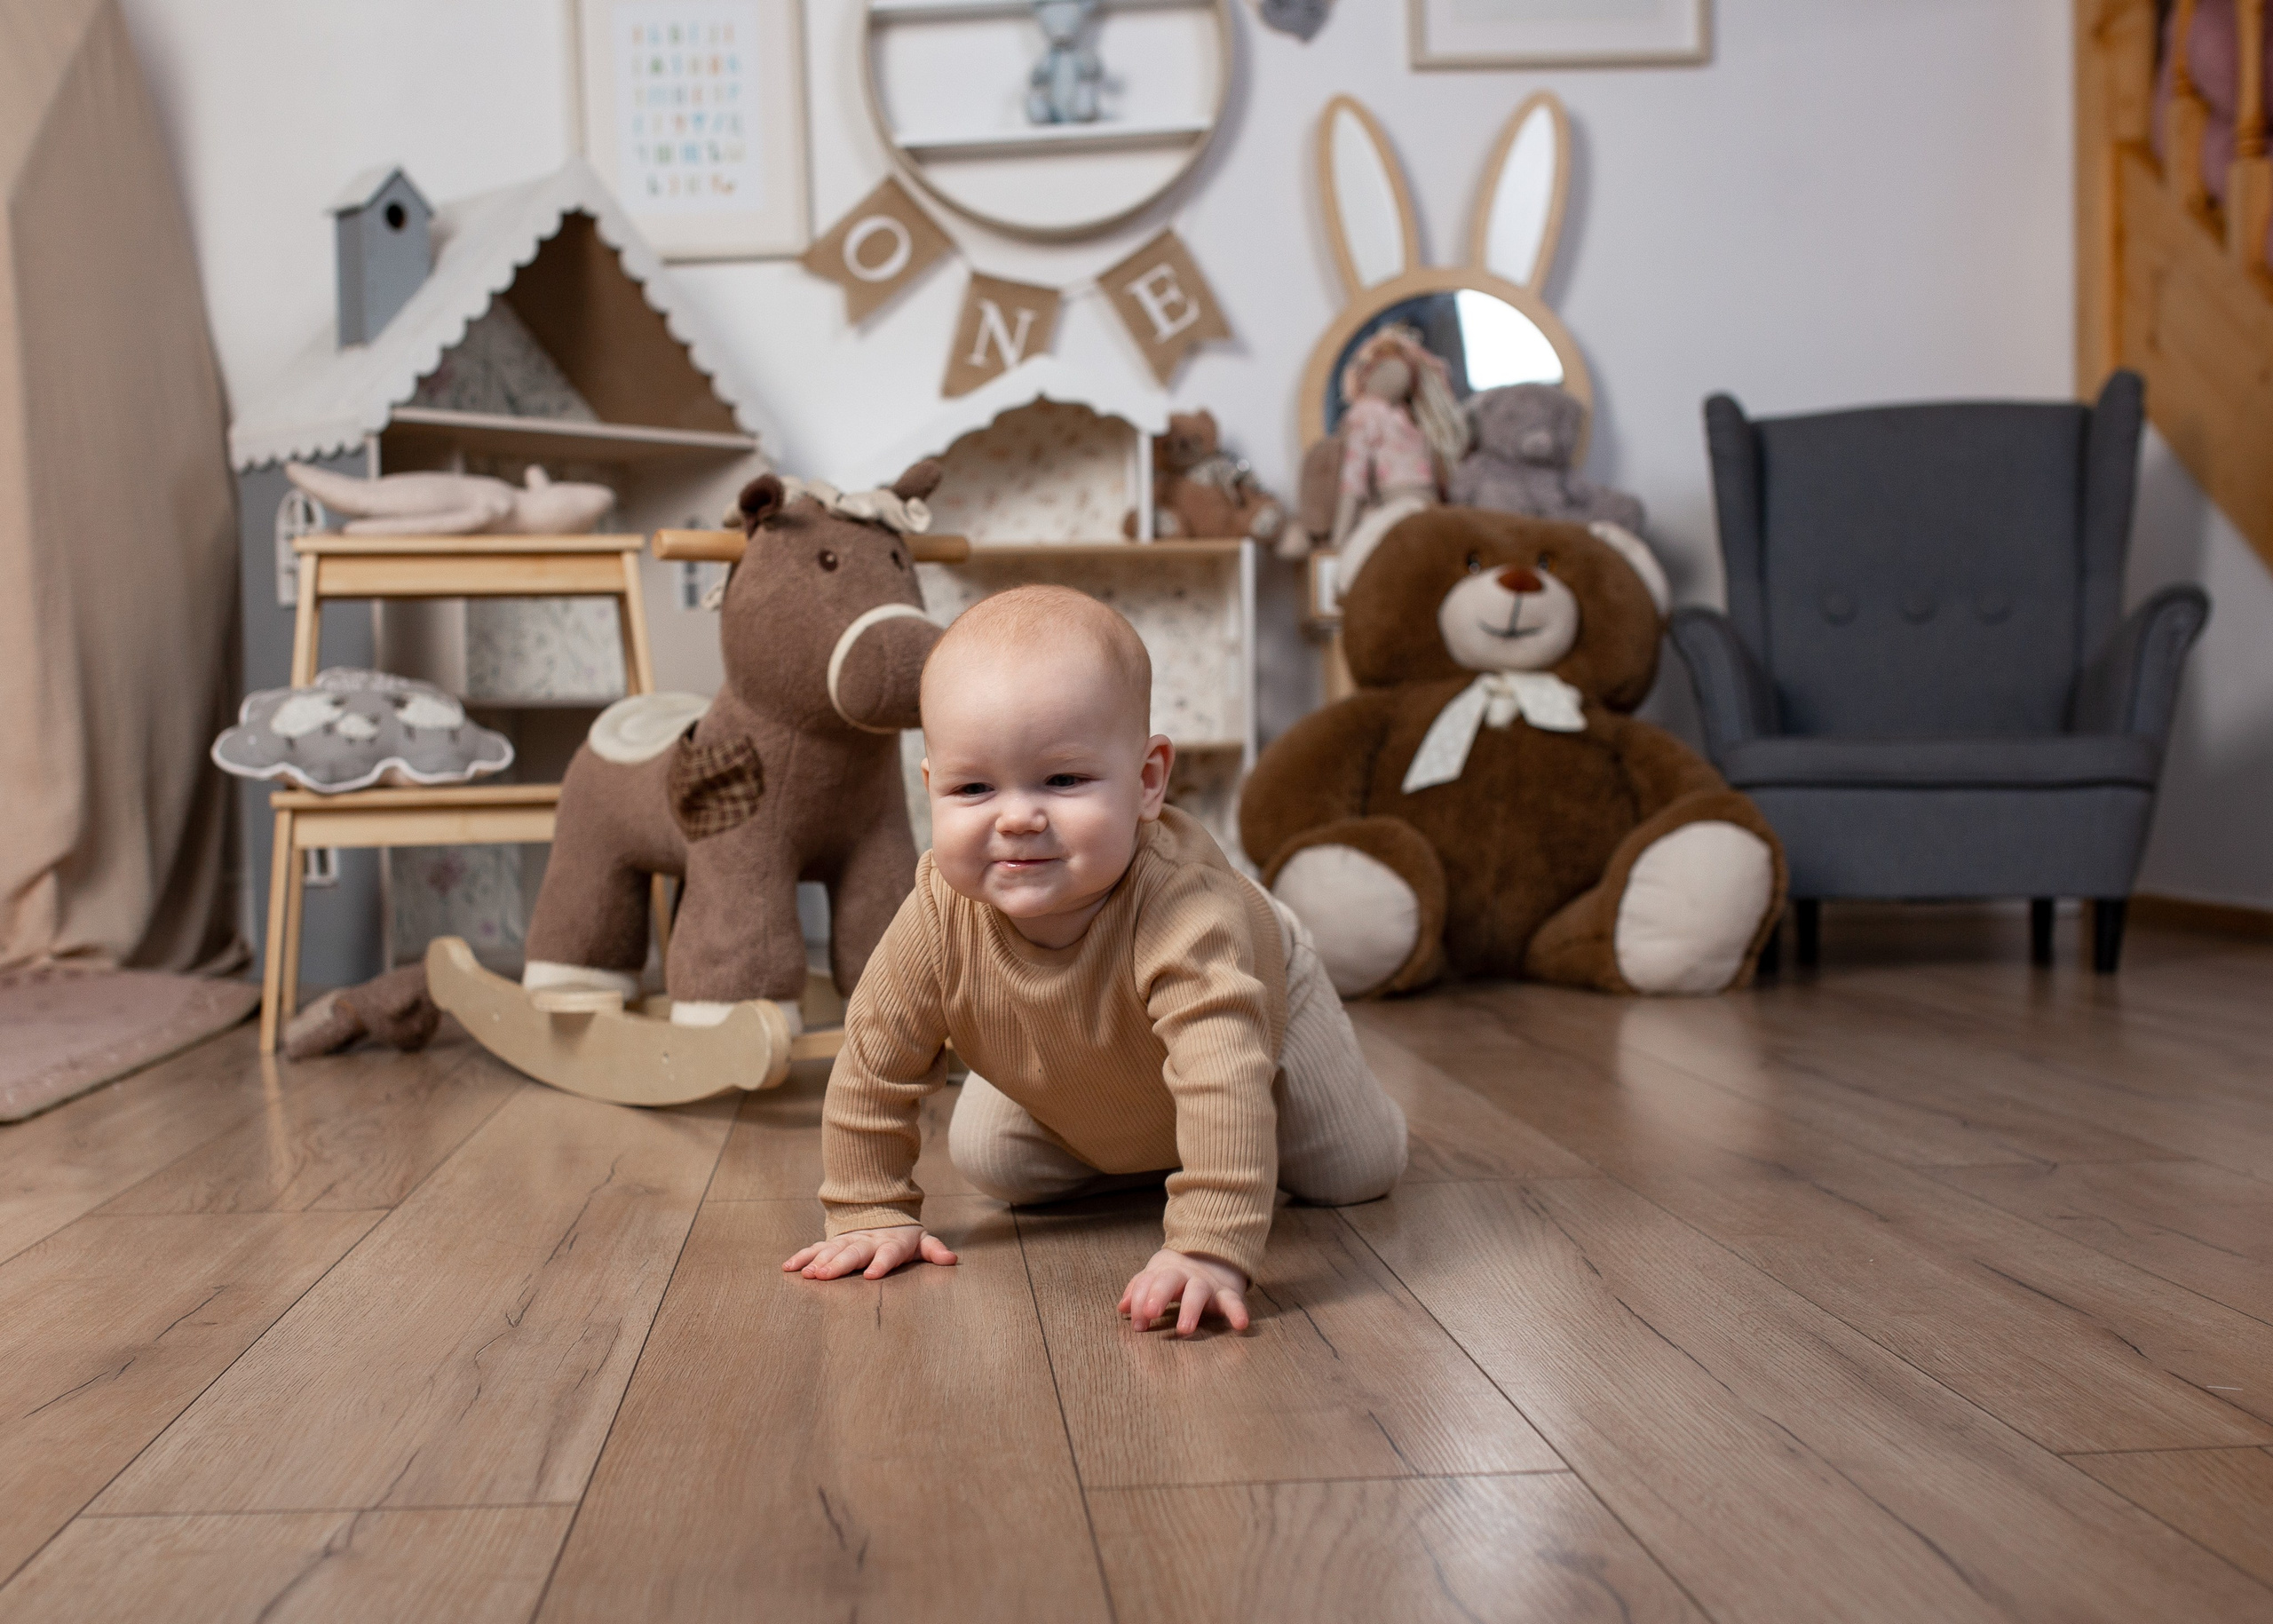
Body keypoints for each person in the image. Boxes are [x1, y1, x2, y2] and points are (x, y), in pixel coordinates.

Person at [781, 585, 1408, 1335]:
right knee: (993, 1163)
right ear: (931, 789)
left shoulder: (1185, 911)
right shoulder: (938, 910)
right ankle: (1170, 1141)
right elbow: (875, 1058)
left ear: (1148, 781)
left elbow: (1221, 1071)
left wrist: (1209, 1245)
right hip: (1084, 1044)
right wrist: (867, 1204)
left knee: (1355, 1171)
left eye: (1064, 779)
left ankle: (1224, 1135)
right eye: (973, 788)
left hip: (1259, 997)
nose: (1017, 817)